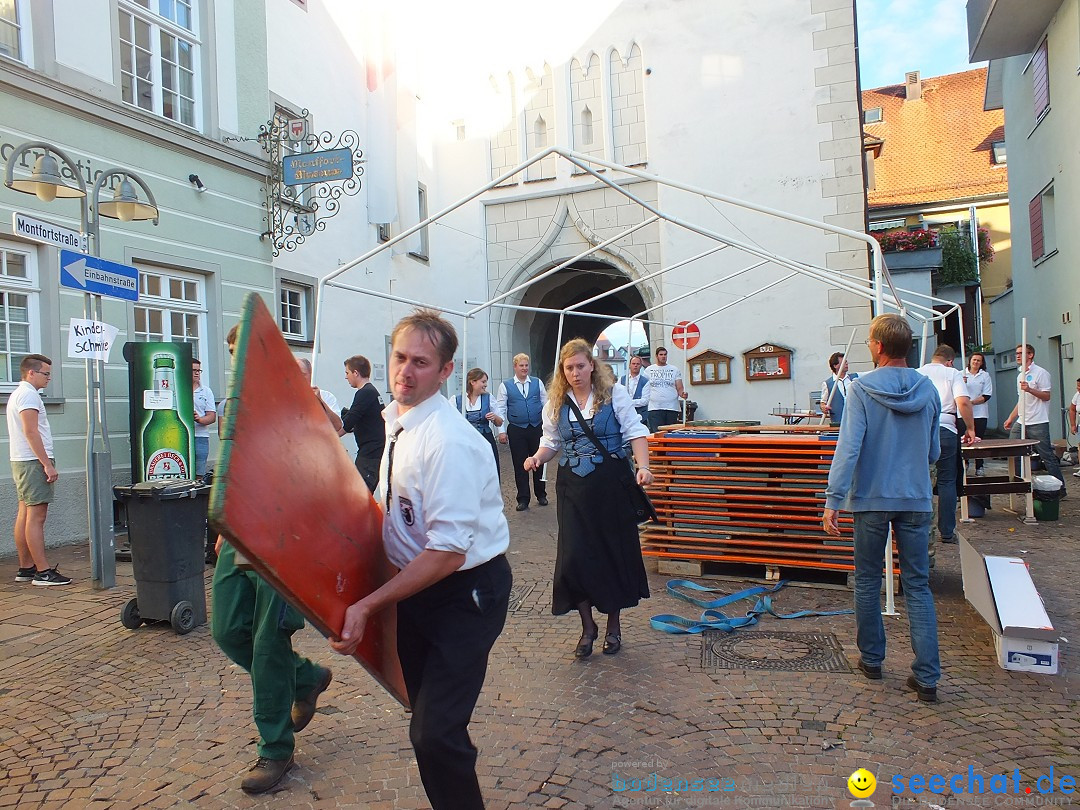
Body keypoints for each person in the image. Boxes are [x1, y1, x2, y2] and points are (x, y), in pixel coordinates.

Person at [332, 309, 511, 810]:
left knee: (434, 733)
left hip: (465, 594)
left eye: (421, 363)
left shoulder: (449, 441)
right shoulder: (396, 420)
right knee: (426, 719)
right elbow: (393, 509)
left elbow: (448, 553)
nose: (405, 372)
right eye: (399, 357)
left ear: (446, 371)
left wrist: (369, 605)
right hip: (417, 590)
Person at [211, 326, 334, 794]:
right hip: (240, 535)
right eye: (231, 351)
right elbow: (231, 466)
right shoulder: (234, 406)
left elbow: (329, 458)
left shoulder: (304, 400)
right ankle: (307, 676)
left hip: (288, 543)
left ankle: (275, 749)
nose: (237, 359)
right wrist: (222, 526)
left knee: (266, 644)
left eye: (245, 352)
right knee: (227, 631)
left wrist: (309, 402)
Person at [823, 314, 942, 703]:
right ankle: (927, 677)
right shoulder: (929, 389)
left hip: (872, 497)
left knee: (869, 579)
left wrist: (833, 499)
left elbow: (849, 448)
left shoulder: (859, 390)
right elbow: (934, 451)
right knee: (919, 586)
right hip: (915, 496)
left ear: (876, 346)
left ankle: (872, 659)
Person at [524, 338, 652, 659]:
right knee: (574, 557)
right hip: (572, 489)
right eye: (569, 368)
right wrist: (538, 457)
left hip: (610, 485)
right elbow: (550, 441)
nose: (575, 372)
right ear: (563, 371)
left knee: (611, 555)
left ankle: (613, 627)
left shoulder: (614, 394)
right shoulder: (555, 403)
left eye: (580, 365)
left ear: (591, 365)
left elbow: (635, 432)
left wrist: (644, 467)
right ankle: (587, 627)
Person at [7, 354, 70, 586]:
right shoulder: (28, 395)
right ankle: (42, 572)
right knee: (36, 516)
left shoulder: (21, 393)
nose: (48, 378)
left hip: (23, 460)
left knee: (25, 512)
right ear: (31, 372)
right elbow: (31, 431)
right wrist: (47, 463)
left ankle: (26, 568)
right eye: (45, 374)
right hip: (32, 461)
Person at [917, 345, 976, 545]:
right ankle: (947, 531)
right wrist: (970, 428)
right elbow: (963, 403)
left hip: (921, 428)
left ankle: (920, 528)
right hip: (946, 428)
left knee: (921, 479)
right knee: (947, 480)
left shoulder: (919, 372)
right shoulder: (953, 373)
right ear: (949, 360)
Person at [1003, 344, 1065, 490]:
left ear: (1030, 355)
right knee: (1013, 451)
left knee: (1047, 456)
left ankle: (1059, 488)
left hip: (1038, 421)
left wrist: (1030, 389)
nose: (1017, 356)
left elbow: (1047, 396)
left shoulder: (1041, 373)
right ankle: (1018, 484)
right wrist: (1011, 417)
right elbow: (1021, 400)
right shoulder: (1020, 375)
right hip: (1022, 420)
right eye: (1016, 353)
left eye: (1021, 353)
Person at [495, 352, 548, 511]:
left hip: (536, 427)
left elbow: (545, 404)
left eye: (526, 365)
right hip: (517, 429)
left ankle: (541, 494)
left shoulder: (537, 383)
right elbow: (501, 409)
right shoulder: (506, 386)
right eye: (521, 365)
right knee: (520, 464)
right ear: (515, 367)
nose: (524, 368)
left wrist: (548, 426)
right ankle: (523, 498)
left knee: (539, 461)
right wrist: (501, 431)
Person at [341, 355, 385, 493]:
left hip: (370, 455)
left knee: (359, 496)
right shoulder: (371, 392)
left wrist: (331, 437)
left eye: (347, 373)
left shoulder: (365, 393)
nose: (346, 377)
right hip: (371, 453)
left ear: (356, 373)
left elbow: (349, 421)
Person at [452, 367, 503, 477]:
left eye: (486, 382)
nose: (485, 385)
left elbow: (500, 422)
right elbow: (448, 422)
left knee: (489, 471)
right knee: (470, 472)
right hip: (466, 441)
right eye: (483, 382)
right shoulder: (457, 400)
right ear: (473, 382)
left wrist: (494, 417)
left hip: (486, 438)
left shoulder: (489, 398)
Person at [643, 346, 687, 432]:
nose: (663, 356)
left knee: (671, 433)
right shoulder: (649, 370)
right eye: (661, 354)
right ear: (656, 356)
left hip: (671, 407)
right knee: (657, 432)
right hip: (654, 407)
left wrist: (683, 394)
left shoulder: (674, 370)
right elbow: (644, 387)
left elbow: (679, 387)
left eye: (665, 354)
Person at [296, 357, 343, 434]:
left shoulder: (327, 397)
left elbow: (337, 426)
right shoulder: (284, 398)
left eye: (302, 374)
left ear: (311, 375)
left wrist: (320, 401)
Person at [964, 352, 993, 476]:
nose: (976, 362)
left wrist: (972, 402)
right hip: (964, 414)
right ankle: (965, 464)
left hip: (980, 413)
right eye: (974, 360)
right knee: (965, 439)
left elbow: (987, 395)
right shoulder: (961, 374)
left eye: (978, 360)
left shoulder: (985, 376)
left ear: (982, 363)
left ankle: (979, 466)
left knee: (978, 440)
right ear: (970, 361)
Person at [192, 358, 217, 480]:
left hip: (200, 436)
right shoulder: (178, 389)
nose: (197, 373)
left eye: (199, 370)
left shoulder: (206, 391)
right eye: (194, 370)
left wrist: (199, 419)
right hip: (182, 435)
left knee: (199, 472)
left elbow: (212, 417)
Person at [821, 352, 858, 426]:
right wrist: (824, 408)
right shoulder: (828, 384)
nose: (846, 364)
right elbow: (823, 402)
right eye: (844, 362)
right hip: (838, 422)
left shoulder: (855, 378)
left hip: (855, 421)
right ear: (835, 365)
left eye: (846, 361)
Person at [619, 354, 651, 424]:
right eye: (633, 364)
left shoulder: (645, 382)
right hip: (624, 416)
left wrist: (630, 402)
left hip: (640, 416)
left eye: (638, 364)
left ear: (641, 366)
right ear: (629, 365)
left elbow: (645, 400)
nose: (635, 365)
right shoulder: (621, 380)